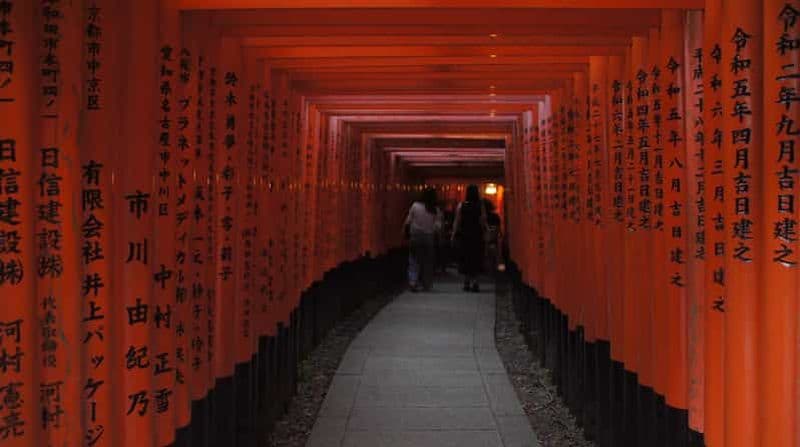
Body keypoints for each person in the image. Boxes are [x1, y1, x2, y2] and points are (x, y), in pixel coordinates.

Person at [403, 187, 442, 292]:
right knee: (428, 262)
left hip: (415, 237)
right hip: (428, 238)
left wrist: (406, 234)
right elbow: (438, 226)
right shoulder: (435, 209)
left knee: (414, 260)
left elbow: (408, 221)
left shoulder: (415, 206)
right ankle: (426, 284)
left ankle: (413, 282)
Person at [452, 184, 487, 292]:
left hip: (465, 235)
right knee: (476, 257)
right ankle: (475, 283)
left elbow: (457, 221)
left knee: (466, 257)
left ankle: (466, 282)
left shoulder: (461, 205)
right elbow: (483, 220)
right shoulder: (480, 205)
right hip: (477, 235)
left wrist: (453, 234)